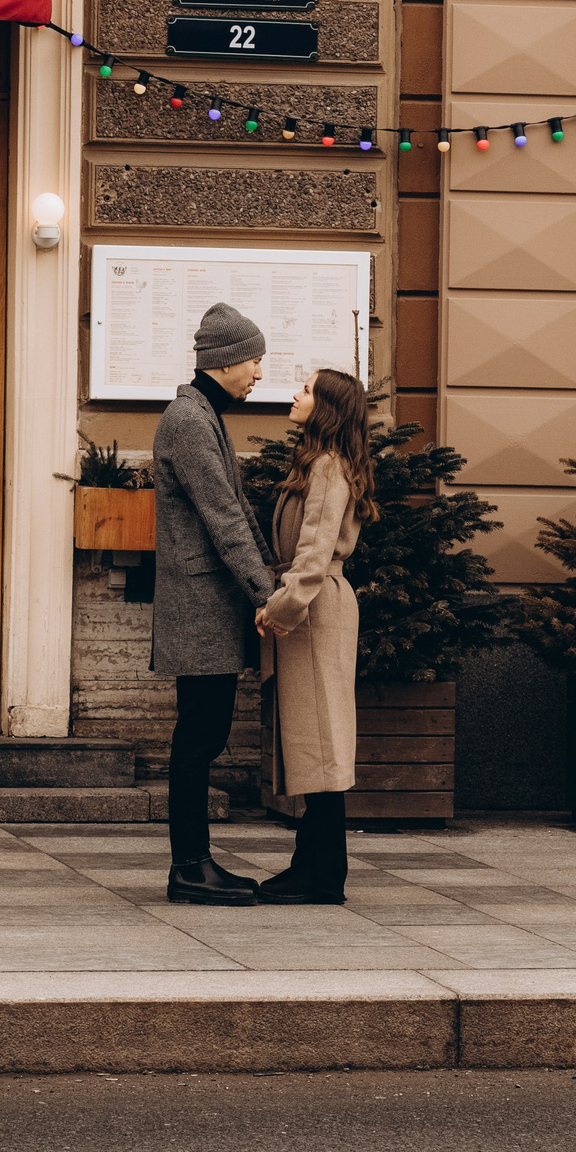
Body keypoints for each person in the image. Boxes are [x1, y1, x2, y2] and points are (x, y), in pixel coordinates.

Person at [149, 302, 279, 904]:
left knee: (203, 736)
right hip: (201, 608)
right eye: (254, 359)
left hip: (209, 607)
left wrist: (266, 584)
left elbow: (237, 514)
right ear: (225, 361)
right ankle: (189, 868)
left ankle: (194, 864)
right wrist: (267, 594)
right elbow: (223, 518)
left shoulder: (203, 414)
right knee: (199, 740)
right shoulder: (189, 420)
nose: (258, 371)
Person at [254, 368, 379, 905]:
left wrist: (280, 607)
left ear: (326, 406)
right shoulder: (320, 462)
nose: (295, 395)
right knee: (312, 740)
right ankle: (313, 864)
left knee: (321, 740)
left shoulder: (328, 467)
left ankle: (324, 874)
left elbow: (314, 550)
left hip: (314, 609)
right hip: (311, 609)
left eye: (305, 390)